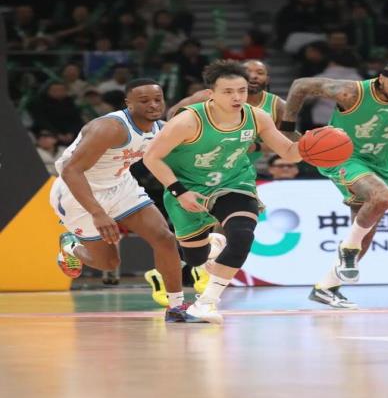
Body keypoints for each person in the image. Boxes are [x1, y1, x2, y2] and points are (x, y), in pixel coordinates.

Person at [279, 58, 388, 308]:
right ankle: (348, 251)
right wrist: (287, 127)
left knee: (366, 228)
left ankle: (326, 288)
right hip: (342, 156)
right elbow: (301, 85)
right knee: (381, 197)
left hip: (380, 162)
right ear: (380, 79)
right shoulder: (352, 92)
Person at [143, 60, 304, 323]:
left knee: (242, 236)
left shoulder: (257, 117)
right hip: (188, 188)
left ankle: (206, 303)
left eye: (241, 90)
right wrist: (179, 192)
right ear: (211, 94)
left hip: (234, 182)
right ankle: (212, 245)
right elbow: (151, 158)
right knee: (195, 258)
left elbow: (288, 151)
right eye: (228, 92)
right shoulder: (188, 121)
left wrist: (313, 146)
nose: (237, 97)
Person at [49, 79, 186, 321]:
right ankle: (72, 248)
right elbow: (71, 171)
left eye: (158, 99)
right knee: (109, 263)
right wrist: (98, 213)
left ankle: (176, 307)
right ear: (128, 103)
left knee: (164, 238)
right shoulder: (110, 128)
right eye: (144, 101)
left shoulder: (161, 129)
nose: (153, 105)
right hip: (77, 191)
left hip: (120, 184)